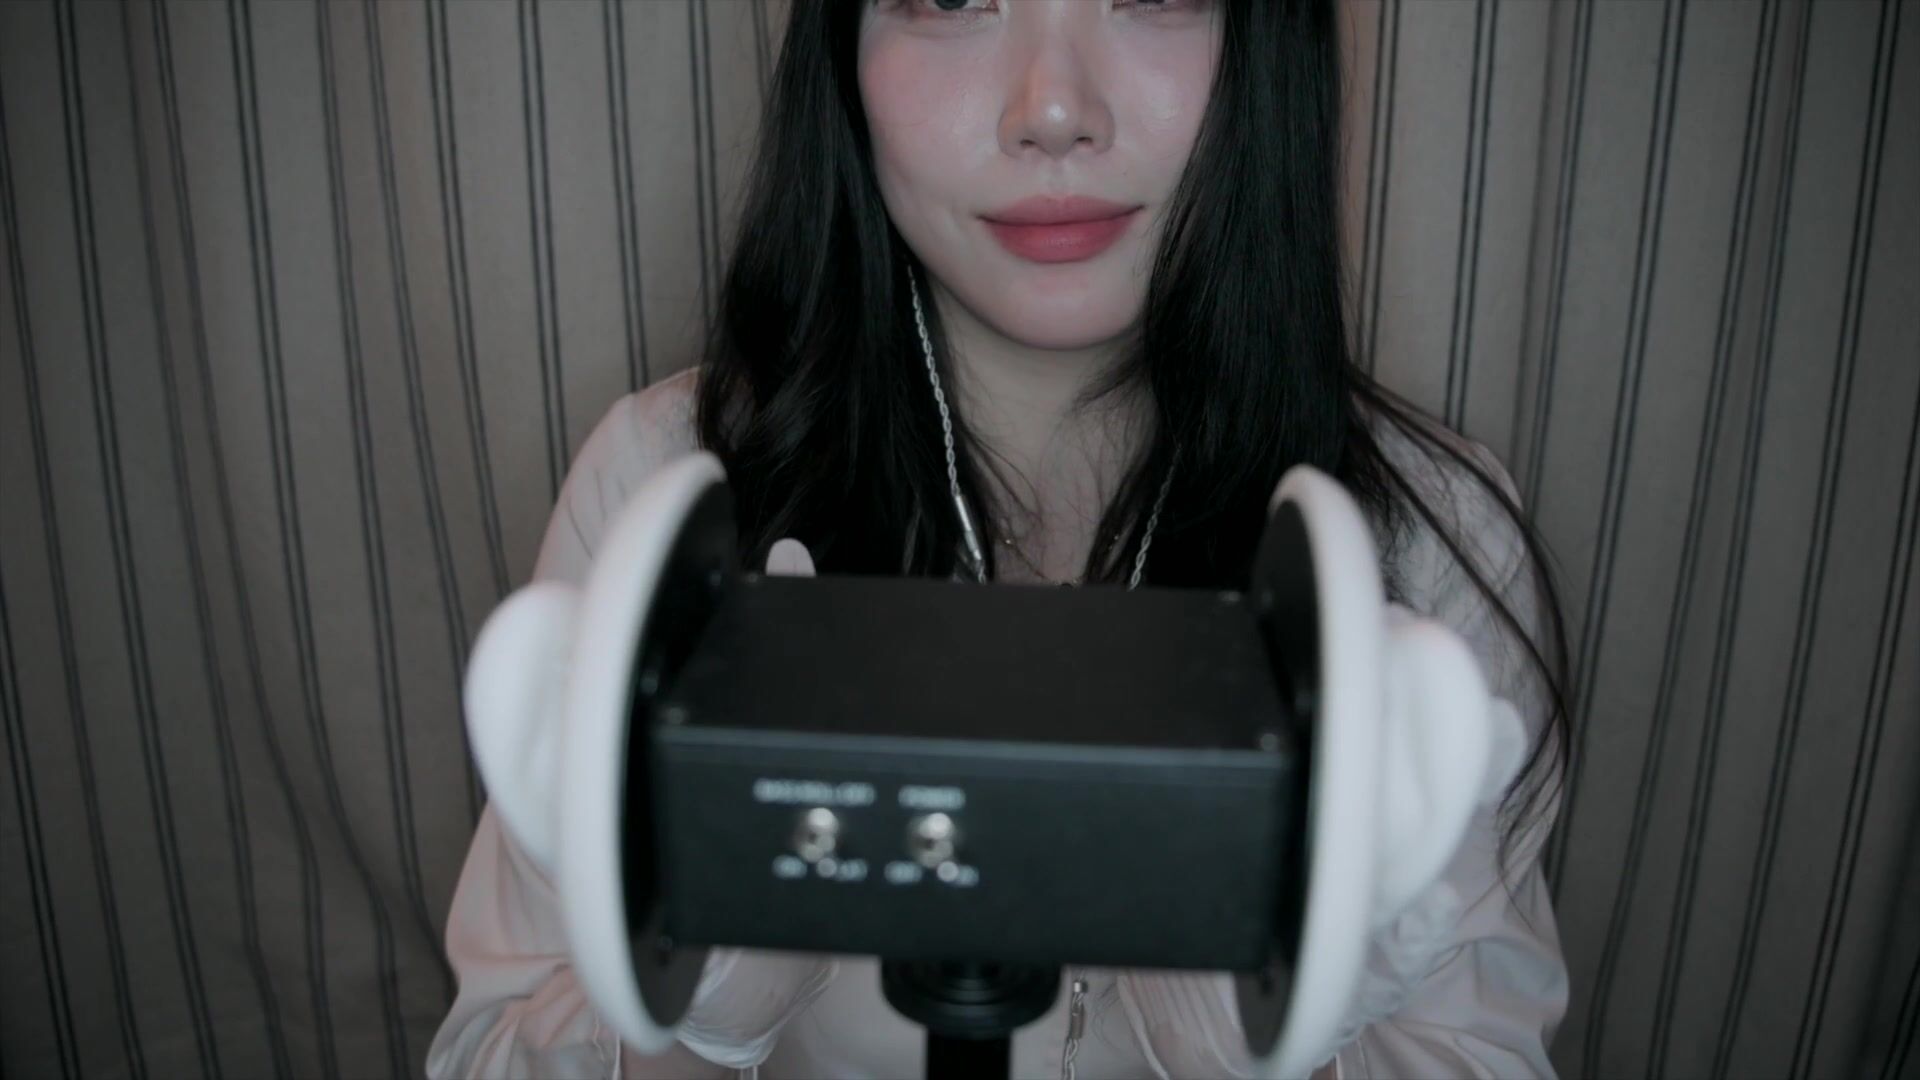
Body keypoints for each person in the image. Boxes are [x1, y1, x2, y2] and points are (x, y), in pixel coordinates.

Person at [427, 0, 1572, 1076]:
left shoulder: (1426, 539)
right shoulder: (665, 487)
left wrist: (1271, 1025)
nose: (1054, 111)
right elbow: (491, 1051)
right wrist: (685, 993)